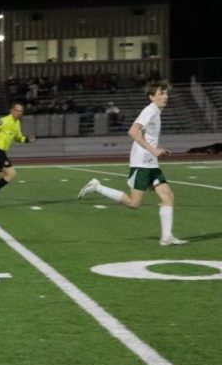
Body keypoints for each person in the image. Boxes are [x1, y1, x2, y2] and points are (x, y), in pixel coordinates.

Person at [77, 80, 187, 245]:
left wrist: (155, 153)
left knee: (168, 196)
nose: (165, 96)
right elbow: (133, 131)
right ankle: (97, 187)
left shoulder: (156, 111)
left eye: (166, 93)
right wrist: (153, 150)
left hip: (151, 163)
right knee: (134, 203)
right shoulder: (150, 111)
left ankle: (166, 237)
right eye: (161, 93)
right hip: (142, 162)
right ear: (151, 97)